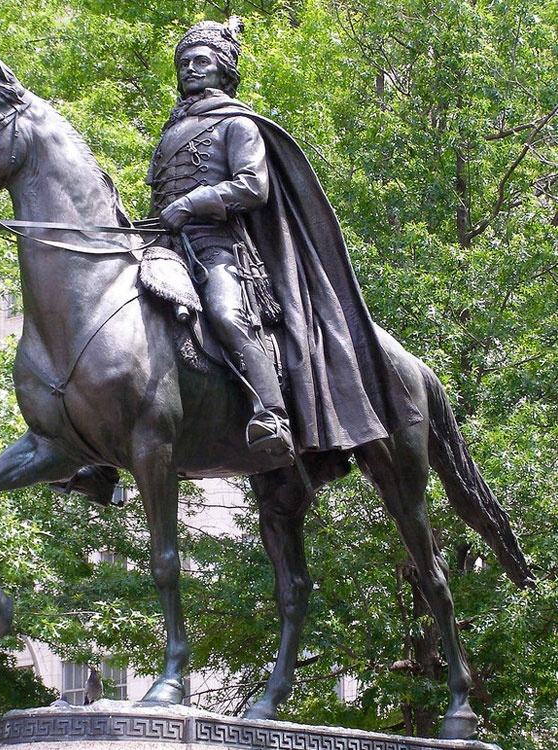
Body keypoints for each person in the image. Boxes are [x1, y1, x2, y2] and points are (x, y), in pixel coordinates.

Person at [149, 19, 421, 456]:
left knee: (226, 314)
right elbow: (161, 201)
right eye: (184, 63)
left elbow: (252, 186)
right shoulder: (170, 133)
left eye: (201, 60)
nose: (190, 68)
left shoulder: (237, 125)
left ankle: (271, 415)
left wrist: (193, 203)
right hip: (166, 248)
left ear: (223, 69)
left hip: (219, 247)